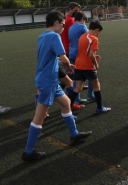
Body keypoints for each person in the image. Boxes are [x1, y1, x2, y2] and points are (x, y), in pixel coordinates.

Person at [22, 11, 92, 162]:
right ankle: (28, 152)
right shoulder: (55, 36)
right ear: (55, 23)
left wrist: (63, 64)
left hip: (51, 79)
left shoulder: (41, 36)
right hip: (48, 81)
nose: (63, 28)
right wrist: (68, 66)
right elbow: (62, 57)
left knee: (66, 103)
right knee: (39, 116)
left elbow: (49, 58)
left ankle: (74, 135)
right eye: (62, 25)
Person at [68, 20, 111, 114]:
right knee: (97, 86)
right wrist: (96, 64)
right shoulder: (94, 39)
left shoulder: (82, 37)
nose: (99, 34)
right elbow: (91, 55)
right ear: (96, 30)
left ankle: (68, 110)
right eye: (99, 32)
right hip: (87, 66)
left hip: (78, 64)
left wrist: (94, 57)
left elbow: (84, 53)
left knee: (77, 88)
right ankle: (100, 108)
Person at [68, 12, 95, 104]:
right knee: (92, 72)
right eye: (85, 21)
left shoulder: (71, 27)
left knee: (77, 76)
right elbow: (89, 38)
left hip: (72, 53)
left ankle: (77, 98)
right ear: (82, 18)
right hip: (81, 54)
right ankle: (90, 94)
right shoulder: (82, 27)